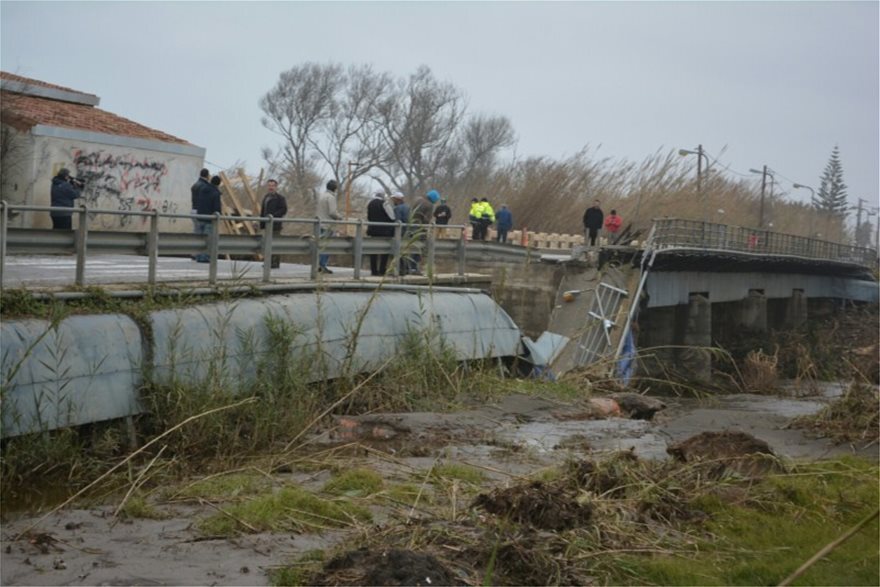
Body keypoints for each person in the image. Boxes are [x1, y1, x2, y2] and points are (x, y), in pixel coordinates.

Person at [192, 175, 223, 263]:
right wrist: (218, 215)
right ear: (218, 184)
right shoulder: (216, 193)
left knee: (200, 238)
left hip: (200, 216)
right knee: (208, 239)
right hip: (209, 219)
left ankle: (198, 256)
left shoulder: (202, 189)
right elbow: (217, 207)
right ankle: (204, 257)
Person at [259, 179, 288, 268]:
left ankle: (275, 262)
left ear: (276, 187)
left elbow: (284, 210)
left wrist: (273, 216)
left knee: (275, 243)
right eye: (269, 185)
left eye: (272, 186)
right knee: (267, 243)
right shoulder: (266, 197)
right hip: (267, 224)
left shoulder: (280, 198)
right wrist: (262, 223)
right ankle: (268, 262)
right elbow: (263, 211)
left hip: (275, 225)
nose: (271, 187)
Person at [366, 191, 396, 276]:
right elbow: (392, 217)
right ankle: (382, 270)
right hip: (384, 231)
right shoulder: (384, 203)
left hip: (372, 230)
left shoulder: (370, 203)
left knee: (373, 251)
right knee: (385, 251)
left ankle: (374, 270)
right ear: (383, 196)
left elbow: (369, 217)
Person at [316, 179, 341, 274]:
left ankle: (318, 265)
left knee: (321, 245)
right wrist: (339, 217)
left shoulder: (321, 196)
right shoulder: (331, 197)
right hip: (328, 225)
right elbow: (332, 212)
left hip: (320, 223)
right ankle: (322, 265)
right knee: (327, 246)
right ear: (335, 188)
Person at [391, 192, 414, 275]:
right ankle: (408, 269)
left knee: (399, 251)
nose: (393, 201)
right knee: (406, 251)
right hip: (408, 232)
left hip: (400, 233)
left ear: (397, 199)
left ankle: (401, 269)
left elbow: (397, 221)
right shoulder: (408, 207)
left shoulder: (397, 208)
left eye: (394, 199)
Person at [190, 168, 210, 232]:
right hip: (201, 212)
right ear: (207, 175)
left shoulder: (195, 185)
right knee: (204, 233)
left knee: (196, 230)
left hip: (193, 210)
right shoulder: (205, 186)